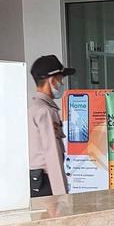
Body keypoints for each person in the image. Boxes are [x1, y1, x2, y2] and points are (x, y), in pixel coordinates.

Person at [28, 54, 75, 197]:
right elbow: (52, 154)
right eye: (61, 80)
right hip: (47, 184)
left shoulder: (33, 108)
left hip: (35, 182)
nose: (62, 84)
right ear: (52, 81)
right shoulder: (46, 111)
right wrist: (61, 196)